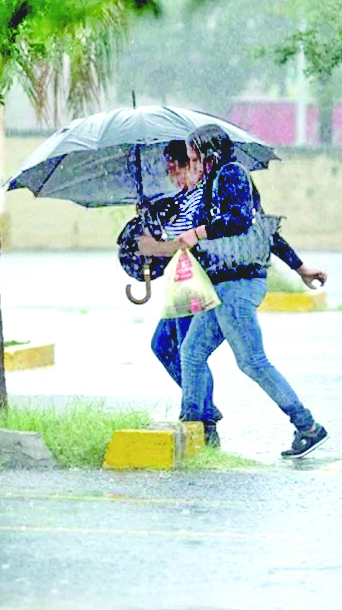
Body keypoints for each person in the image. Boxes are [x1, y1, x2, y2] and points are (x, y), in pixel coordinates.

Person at [137, 141, 326, 448]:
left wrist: (198, 233)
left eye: (196, 158)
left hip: (238, 284)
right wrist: (302, 268)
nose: (194, 164)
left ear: (211, 154)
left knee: (252, 361)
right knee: (191, 353)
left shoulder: (231, 176)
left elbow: (241, 221)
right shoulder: (212, 186)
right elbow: (264, 232)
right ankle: (197, 428)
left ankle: (307, 426)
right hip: (221, 285)